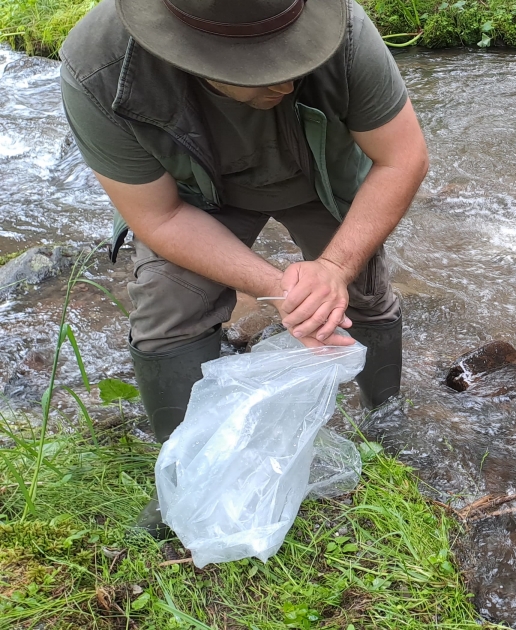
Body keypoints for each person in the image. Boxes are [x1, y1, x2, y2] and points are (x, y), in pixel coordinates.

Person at [58, 0, 429, 531]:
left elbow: (403, 156)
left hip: (322, 178)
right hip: (193, 199)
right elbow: (158, 217)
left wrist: (333, 269)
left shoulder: (343, 28)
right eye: (261, 71)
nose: (286, 78)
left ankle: (385, 422)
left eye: (295, 56)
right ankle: (189, 473)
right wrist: (283, 289)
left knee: (361, 296)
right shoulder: (101, 68)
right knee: (167, 313)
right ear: (189, 57)